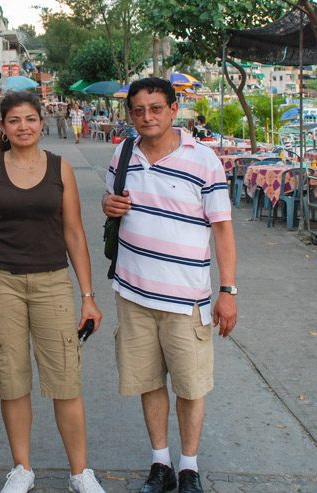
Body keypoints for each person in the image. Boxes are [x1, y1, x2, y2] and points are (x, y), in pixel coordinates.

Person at [0, 91, 106, 493]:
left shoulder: (61, 170)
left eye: (30, 119)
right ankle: (21, 468)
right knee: (11, 378)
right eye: (14, 121)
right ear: (2, 127)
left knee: (65, 379)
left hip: (52, 281)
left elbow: (74, 232)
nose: (23, 127)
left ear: (42, 123)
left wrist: (88, 295)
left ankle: (80, 473)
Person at [101, 78, 237, 493]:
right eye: (139, 110)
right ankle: (160, 463)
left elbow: (223, 230)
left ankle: (189, 466)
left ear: (174, 109)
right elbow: (112, 208)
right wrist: (108, 206)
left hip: (186, 297)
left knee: (191, 385)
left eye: (156, 108)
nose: (148, 117)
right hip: (134, 293)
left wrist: (228, 292)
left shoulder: (204, 159)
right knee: (148, 381)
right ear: (130, 114)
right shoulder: (122, 153)